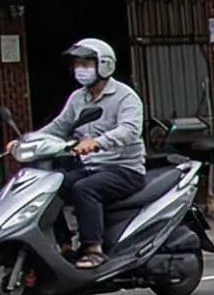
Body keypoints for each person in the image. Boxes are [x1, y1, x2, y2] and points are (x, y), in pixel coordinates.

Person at [35, 39, 145, 270]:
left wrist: (96, 142)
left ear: (104, 65)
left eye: (86, 64)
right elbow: (59, 126)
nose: (80, 70)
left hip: (124, 169)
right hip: (90, 167)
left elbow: (130, 130)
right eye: (77, 64)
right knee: (52, 186)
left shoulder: (125, 97)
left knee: (84, 189)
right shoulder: (78, 98)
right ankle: (64, 246)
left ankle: (93, 249)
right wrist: (28, 141)